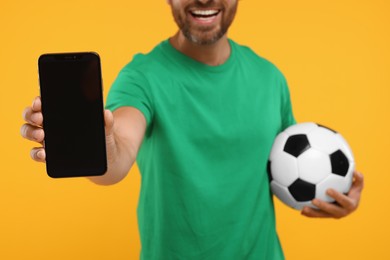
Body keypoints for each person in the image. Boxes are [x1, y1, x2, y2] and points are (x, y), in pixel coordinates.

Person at [21, 0, 364, 259]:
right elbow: (118, 157)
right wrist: (100, 141)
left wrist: (334, 194)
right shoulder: (142, 77)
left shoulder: (270, 78)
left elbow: (285, 172)